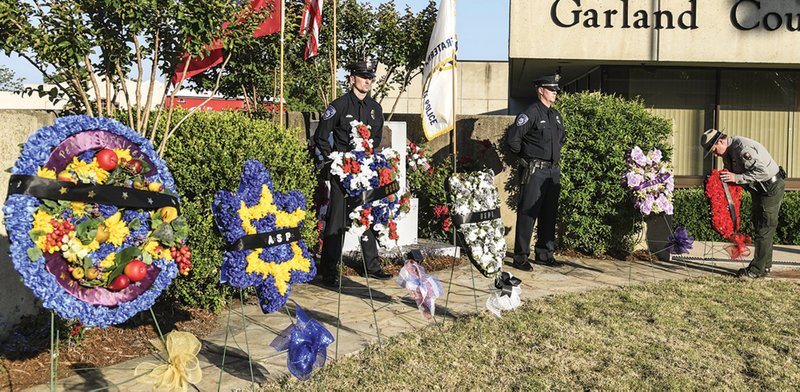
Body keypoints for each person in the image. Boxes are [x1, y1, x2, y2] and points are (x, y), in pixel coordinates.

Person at [313, 59, 392, 287]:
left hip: (365, 171)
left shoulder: (375, 109)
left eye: (370, 78)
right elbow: (321, 136)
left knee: (365, 215)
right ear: (351, 79)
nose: (367, 82)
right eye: (363, 77)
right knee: (336, 219)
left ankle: (372, 266)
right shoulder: (338, 106)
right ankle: (328, 271)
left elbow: (375, 139)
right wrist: (335, 161)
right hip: (343, 173)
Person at [700, 128, 786, 279]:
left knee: (764, 228)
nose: (714, 154)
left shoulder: (741, 150)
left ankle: (756, 270)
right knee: (760, 226)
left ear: (721, 141)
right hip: (758, 189)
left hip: (770, 187)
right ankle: (765, 265)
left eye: (714, 150)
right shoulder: (728, 152)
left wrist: (736, 177)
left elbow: (763, 172)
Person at [506, 74, 566, 271]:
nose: (555, 93)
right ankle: (521, 257)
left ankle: (544, 254)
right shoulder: (531, 112)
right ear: (541, 90)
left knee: (549, 214)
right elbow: (513, 139)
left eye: (556, 90)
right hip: (535, 171)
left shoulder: (555, 115)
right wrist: (526, 158)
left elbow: (561, 139)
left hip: (552, 172)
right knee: (527, 214)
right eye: (551, 89)